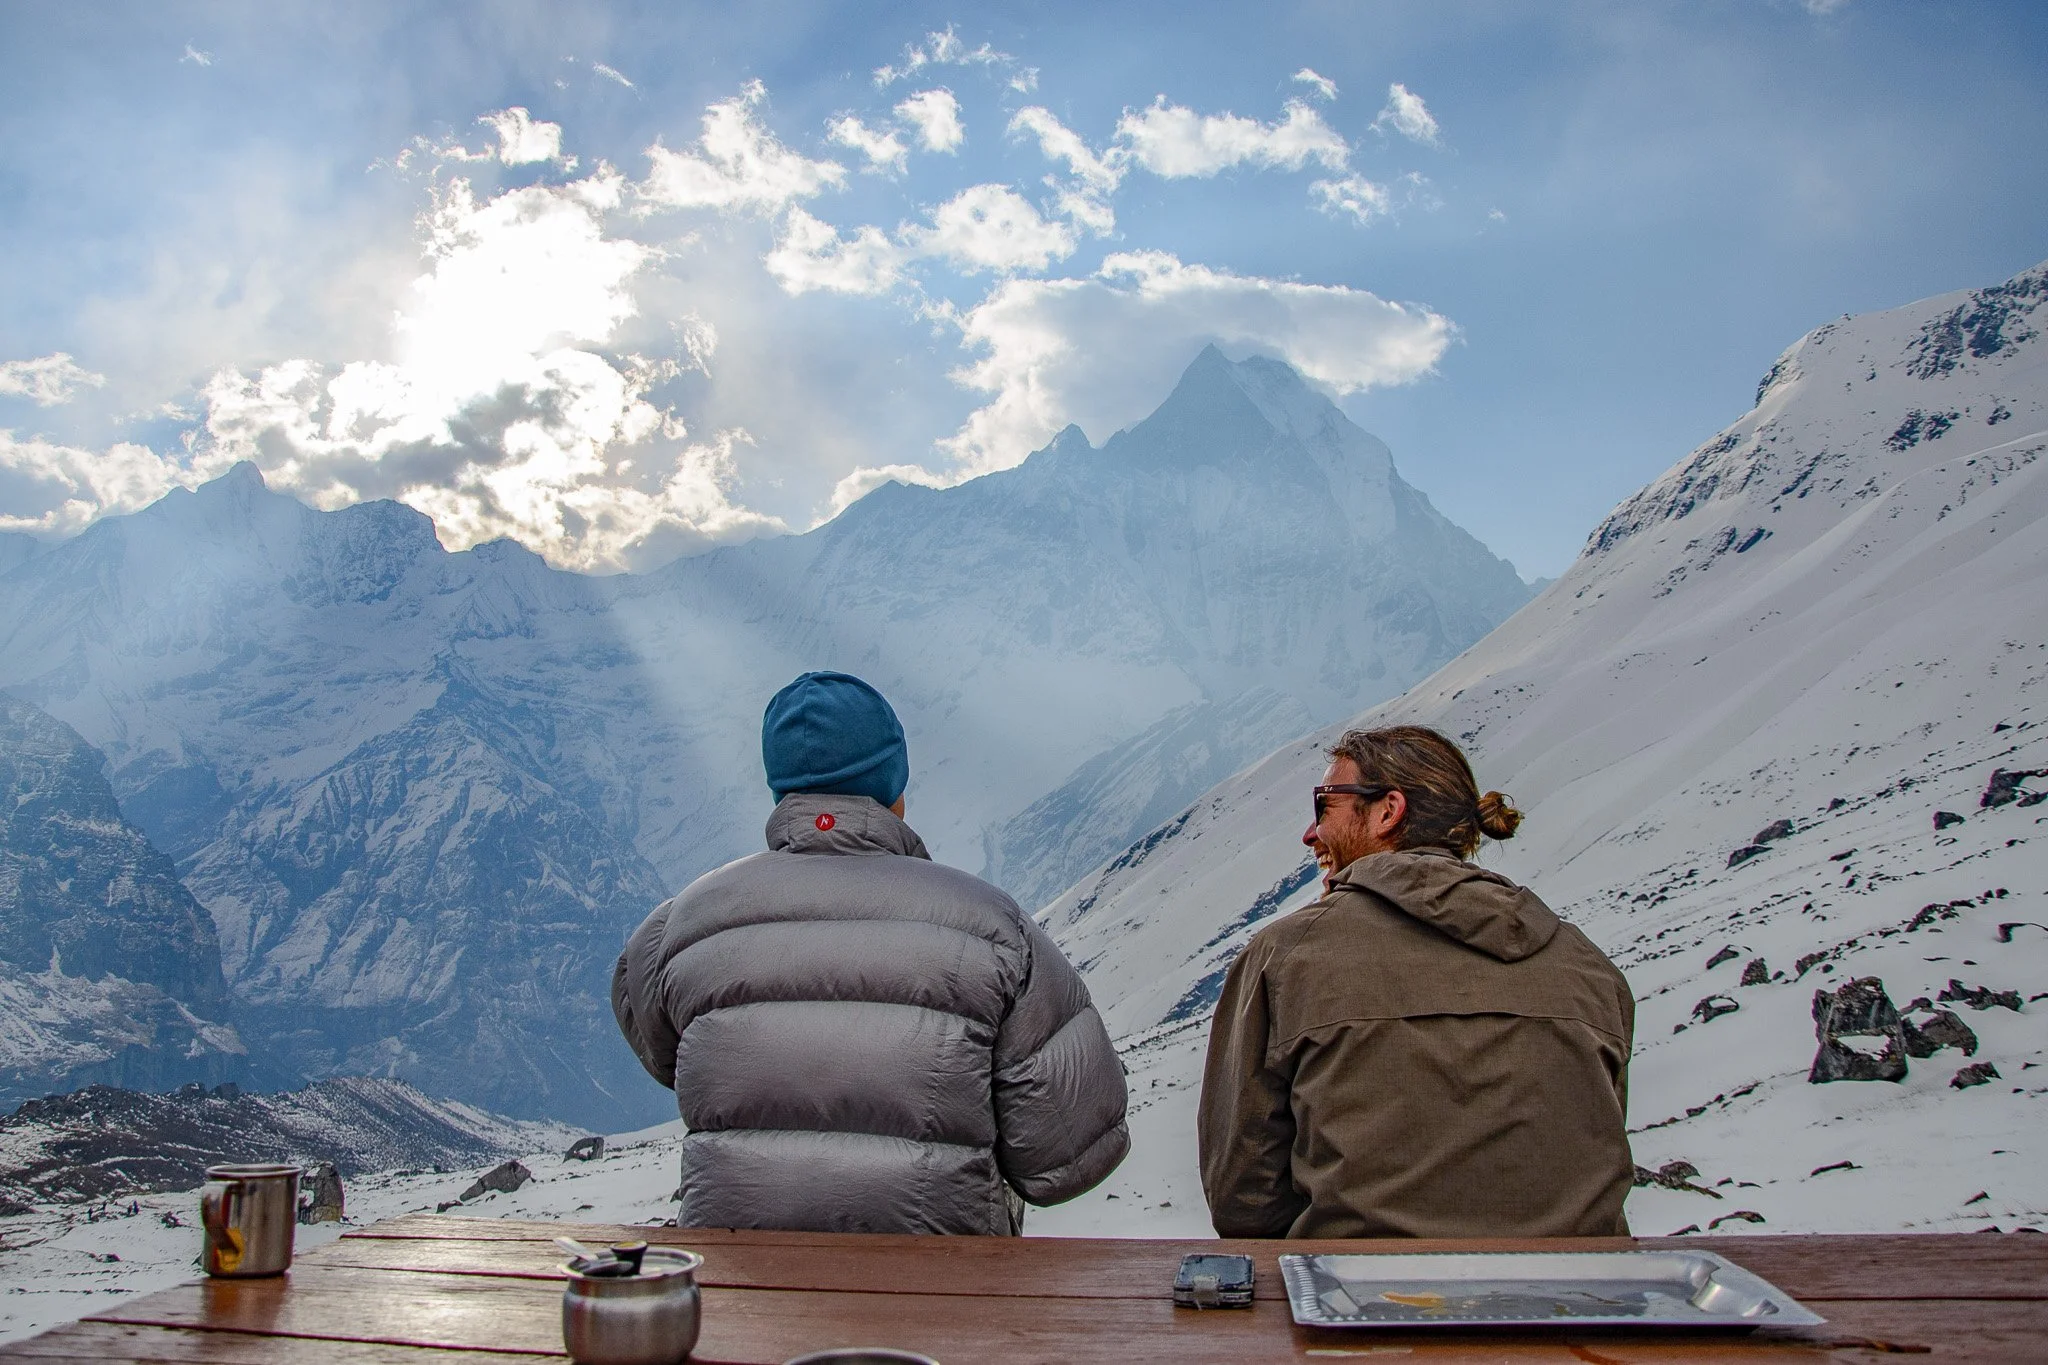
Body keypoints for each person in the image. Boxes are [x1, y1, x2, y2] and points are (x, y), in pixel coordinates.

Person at [613, 670, 1129, 1235]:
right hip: (944, 1279)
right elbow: (1068, 1155)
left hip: (736, 1281)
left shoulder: (679, 929)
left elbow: (666, 1056)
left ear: (781, 791)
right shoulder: (994, 932)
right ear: (894, 791)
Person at [1198, 724, 1635, 1239]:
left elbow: (1244, 1201)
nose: (1310, 833)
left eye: (1324, 805)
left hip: (1361, 1287)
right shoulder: (1589, 967)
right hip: (1581, 1288)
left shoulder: (1286, 958)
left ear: (1388, 811)